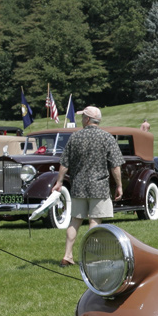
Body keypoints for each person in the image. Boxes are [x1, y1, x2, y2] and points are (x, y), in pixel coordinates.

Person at [50, 106, 123, 266]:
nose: (81, 119)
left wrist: (59, 182)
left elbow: (64, 163)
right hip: (99, 187)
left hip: (78, 187)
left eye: (83, 117)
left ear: (87, 119)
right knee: (95, 222)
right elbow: (115, 166)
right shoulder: (107, 137)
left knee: (74, 221)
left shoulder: (75, 137)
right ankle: (91, 258)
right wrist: (119, 185)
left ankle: (67, 255)